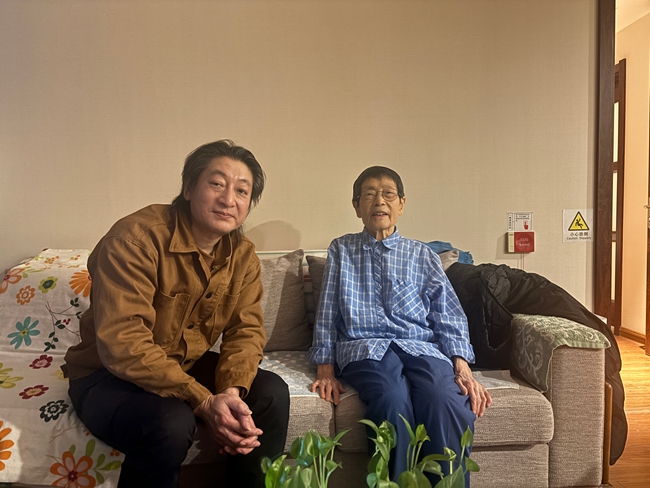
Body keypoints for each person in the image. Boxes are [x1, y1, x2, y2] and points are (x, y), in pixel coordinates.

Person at [63, 140, 290, 488]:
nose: (228, 199)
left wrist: (229, 394)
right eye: (217, 184)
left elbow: (246, 331)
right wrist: (203, 399)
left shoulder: (243, 255)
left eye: (242, 191)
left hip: (181, 364)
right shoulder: (134, 240)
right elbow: (124, 344)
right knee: (171, 422)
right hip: (106, 375)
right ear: (188, 188)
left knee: (270, 393)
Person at [308, 166, 491, 486]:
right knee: (392, 398)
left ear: (402, 204)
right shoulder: (341, 249)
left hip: (420, 347)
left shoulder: (423, 255)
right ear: (357, 207)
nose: (379, 201)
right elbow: (327, 311)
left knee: (444, 398)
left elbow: (448, 315)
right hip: (365, 348)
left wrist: (462, 367)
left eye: (388, 194)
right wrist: (325, 368)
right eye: (369, 194)